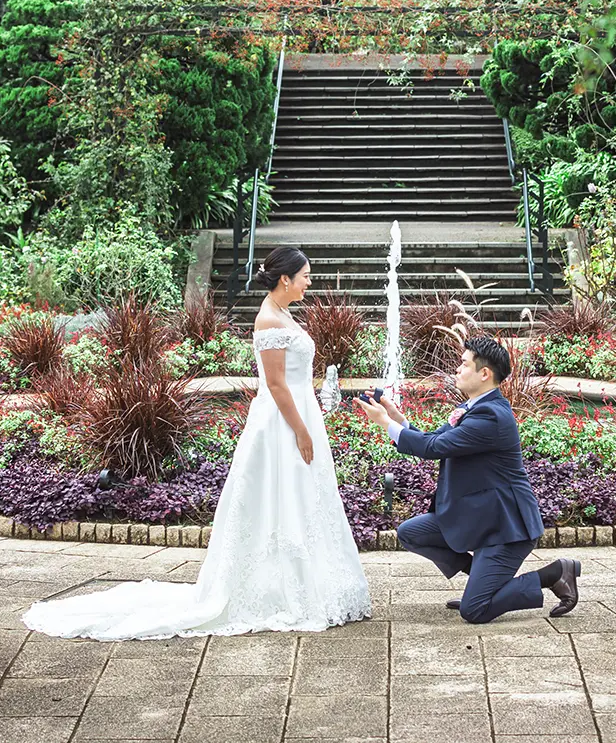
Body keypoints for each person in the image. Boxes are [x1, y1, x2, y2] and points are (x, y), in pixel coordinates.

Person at [23, 247, 371, 639]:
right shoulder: (269, 319)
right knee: (280, 493)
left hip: (299, 411)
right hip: (282, 422)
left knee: (301, 496)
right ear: (285, 279)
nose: (309, 281)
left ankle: (306, 581)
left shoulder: (285, 313)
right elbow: (274, 385)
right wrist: (301, 430)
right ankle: (279, 589)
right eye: (305, 275)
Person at [356, 336, 581, 624]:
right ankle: (485, 583)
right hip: (480, 518)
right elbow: (436, 439)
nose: (457, 370)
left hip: (506, 529)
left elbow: (433, 449)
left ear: (484, 373)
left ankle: (554, 573)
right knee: (411, 532)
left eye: (464, 364)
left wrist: (384, 424)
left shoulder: (490, 416)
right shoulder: (473, 407)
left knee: (474, 610)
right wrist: (398, 420)